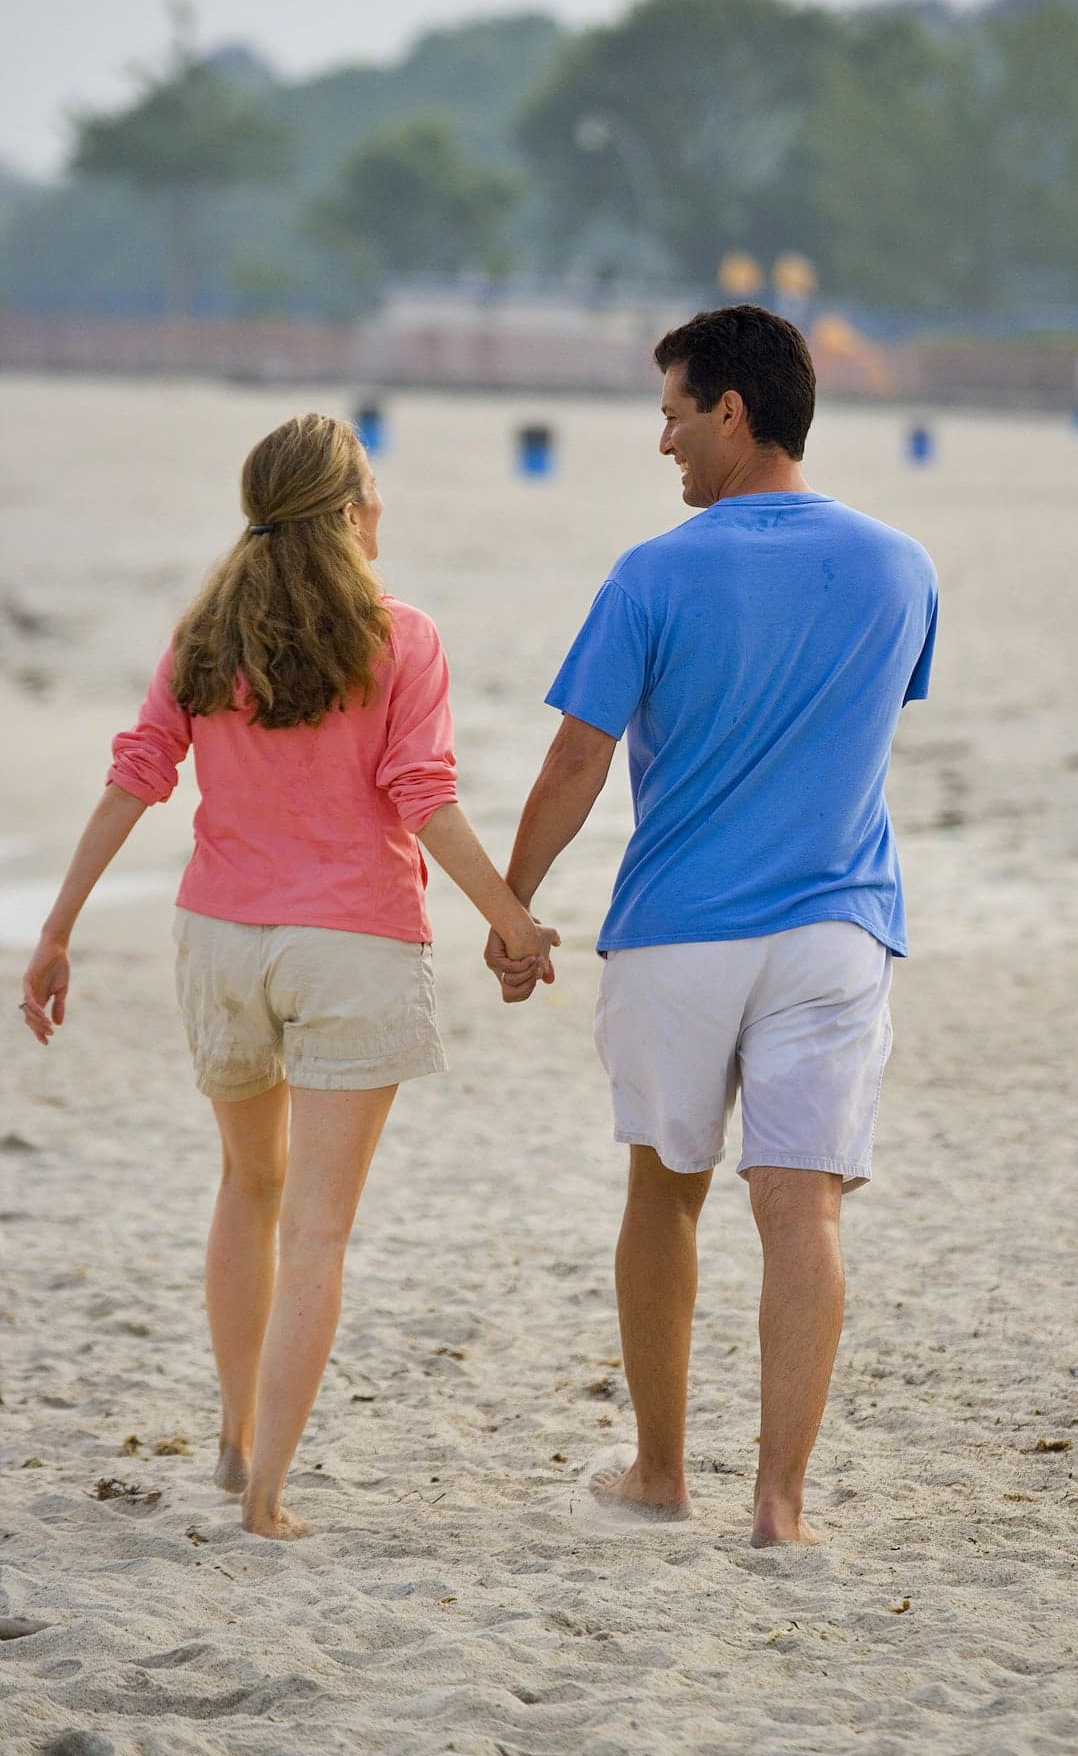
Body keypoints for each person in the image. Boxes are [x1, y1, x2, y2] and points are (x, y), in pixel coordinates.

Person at [19, 413, 558, 1539]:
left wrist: (56, 926)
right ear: (355, 506)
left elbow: (136, 775)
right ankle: (267, 1497)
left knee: (245, 1185)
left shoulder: (206, 633)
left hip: (219, 938)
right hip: (351, 945)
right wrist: (508, 918)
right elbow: (423, 790)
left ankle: (234, 1436)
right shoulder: (399, 632)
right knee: (316, 1227)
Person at [487, 305, 937, 1545]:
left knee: (666, 1192)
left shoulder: (653, 570)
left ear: (732, 412)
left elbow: (577, 759)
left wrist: (515, 905)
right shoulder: (904, 565)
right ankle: (780, 1507)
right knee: (807, 1211)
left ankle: (660, 1471)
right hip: (837, 929)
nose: (666, 440)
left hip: (682, 929)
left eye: (676, 412)